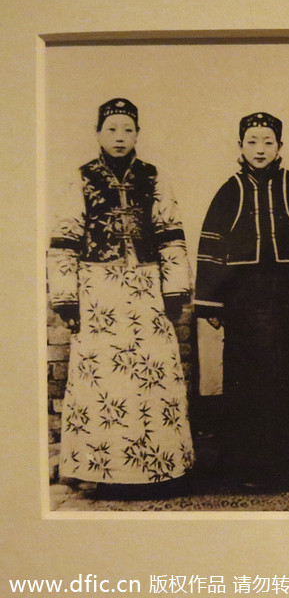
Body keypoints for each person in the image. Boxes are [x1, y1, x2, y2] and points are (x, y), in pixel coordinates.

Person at [47, 98, 194, 492]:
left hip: (146, 289)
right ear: (98, 133)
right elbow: (64, 240)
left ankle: (157, 471)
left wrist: (175, 287)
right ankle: (103, 472)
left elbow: (170, 233)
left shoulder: (155, 178)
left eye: (127, 129)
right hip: (98, 291)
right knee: (105, 379)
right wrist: (66, 298)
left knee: (151, 375)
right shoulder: (81, 178)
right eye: (111, 129)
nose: (119, 137)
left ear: (137, 135)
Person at [194, 112, 289, 490]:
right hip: (243, 301)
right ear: (240, 146)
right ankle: (247, 468)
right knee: (248, 380)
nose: (260, 149)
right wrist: (212, 303)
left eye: (268, 142)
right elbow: (211, 247)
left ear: (280, 147)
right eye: (252, 141)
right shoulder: (229, 192)